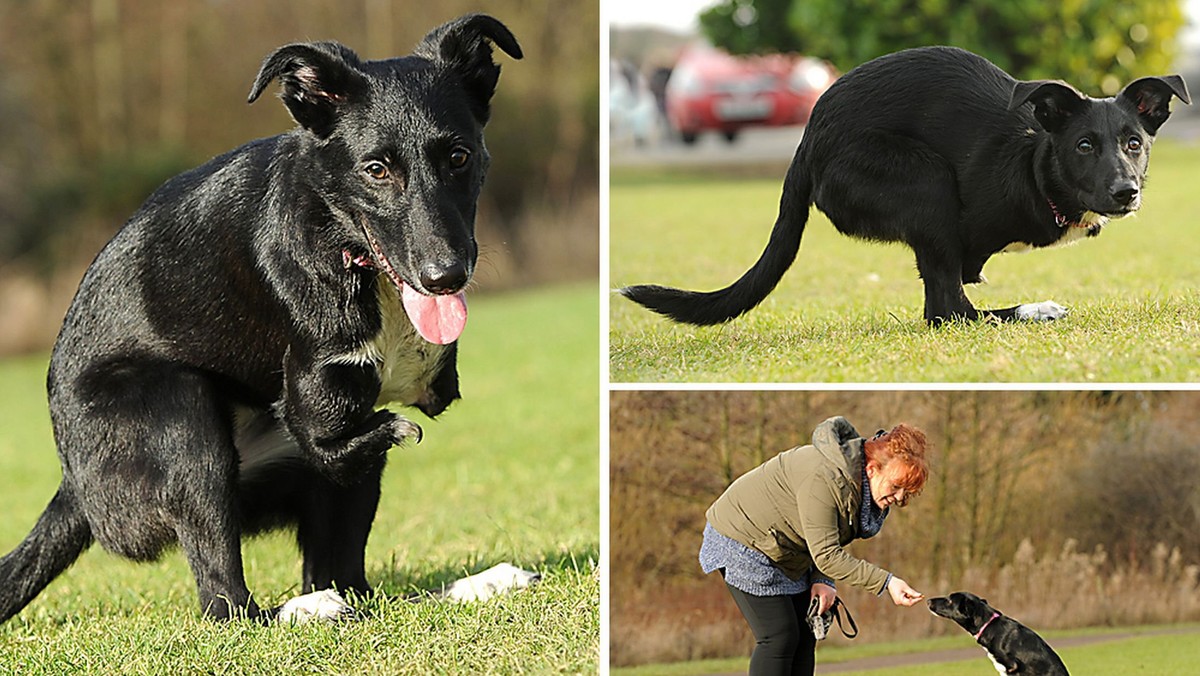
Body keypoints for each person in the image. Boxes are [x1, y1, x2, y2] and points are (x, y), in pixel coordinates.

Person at [699, 416, 930, 676]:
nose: (899, 498)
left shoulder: (861, 492)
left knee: (806, 635)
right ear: (872, 469)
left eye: (907, 492)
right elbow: (828, 555)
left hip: (788, 550)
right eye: (897, 486)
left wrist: (822, 580)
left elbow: (827, 537)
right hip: (742, 538)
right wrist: (887, 582)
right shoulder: (827, 478)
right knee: (779, 635)